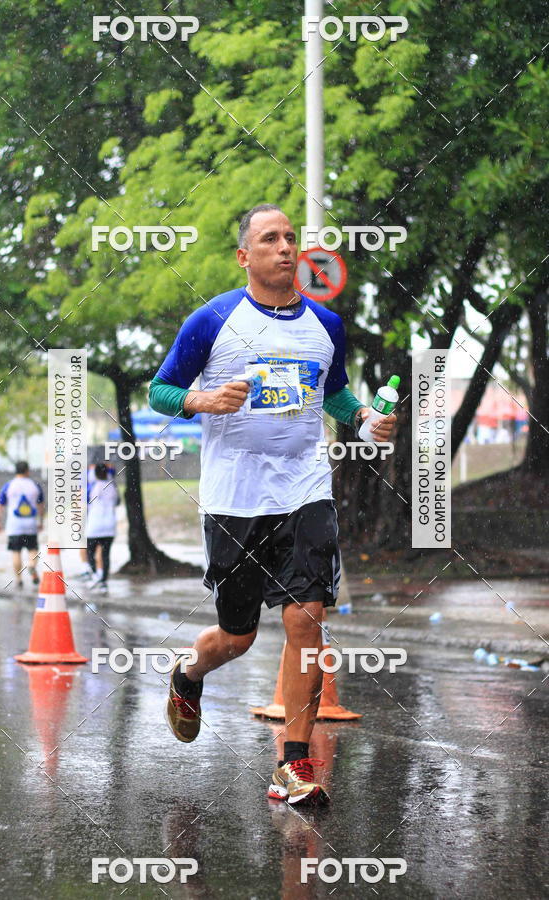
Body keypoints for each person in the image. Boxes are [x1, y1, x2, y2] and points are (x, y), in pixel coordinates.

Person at [150, 204, 397, 806]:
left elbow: (333, 395)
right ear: (245, 256)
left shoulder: (326, 326)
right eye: (270, 239)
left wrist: (364, 419)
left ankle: (293, 763)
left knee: (305, 620)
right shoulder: (212, 320)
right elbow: (160, 391)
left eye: (291, 237)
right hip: (234, 497)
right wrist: (204, 400)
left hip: (304, 489)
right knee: (238, 638)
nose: (285, 247)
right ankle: (189, 673)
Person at [0, 461, 44, 589]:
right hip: (30, 524)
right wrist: (41, 521)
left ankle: (19, 579)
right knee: (33, 549)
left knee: (16, 551)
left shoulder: (8, 486)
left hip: (14, 525)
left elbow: (0, 505)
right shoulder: (35, 485)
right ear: (27, 471)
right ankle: (32, 566)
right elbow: (41, 505)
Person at [86, 463, 119, 594]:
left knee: (90, 552)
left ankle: (95, 575)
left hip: (94, 525)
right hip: (109, 524)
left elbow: (85, 501)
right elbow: (117, 502)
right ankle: (104, 581)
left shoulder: (92, 486)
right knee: (105, 555)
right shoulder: (112, 486)